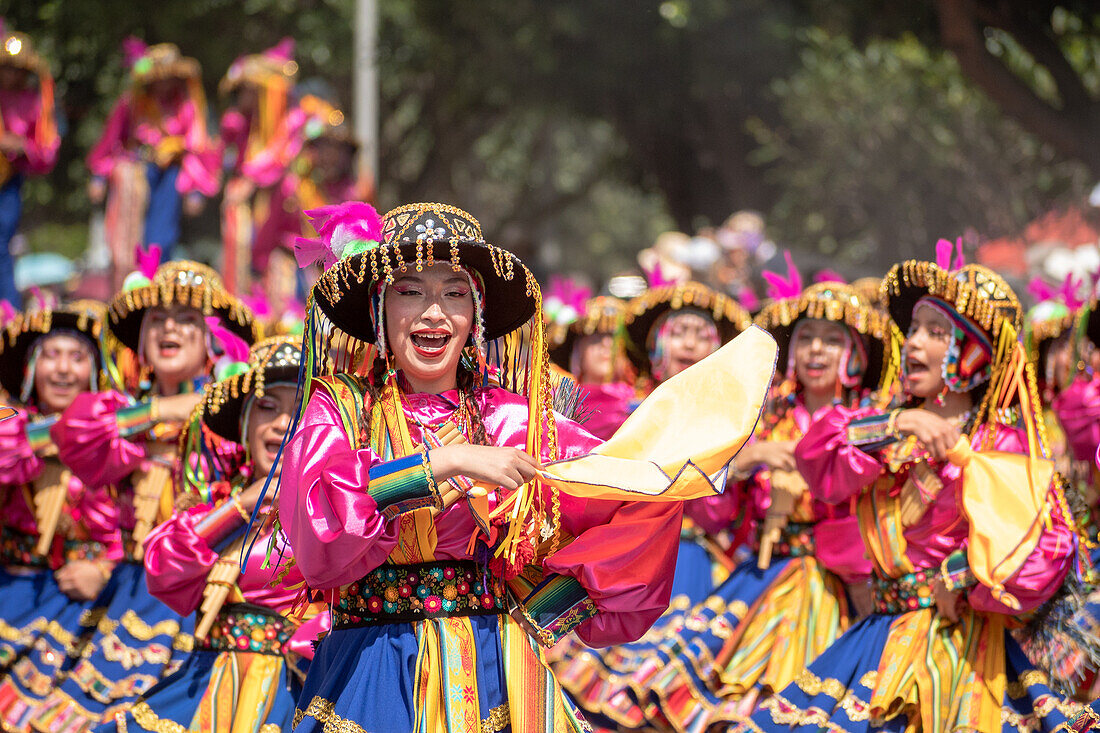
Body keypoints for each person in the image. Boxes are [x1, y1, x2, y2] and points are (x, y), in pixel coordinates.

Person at [280, 201, 773, 732]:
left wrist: (541, 611)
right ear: (378, 307)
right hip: (375, 665)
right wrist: (446, 462)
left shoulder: (517, 419)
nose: (432, 313)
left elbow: (633, 495)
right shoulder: (340, 409)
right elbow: (318, 526)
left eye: (454, 293)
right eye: (410, 291)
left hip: (497, 669)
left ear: (476, 315)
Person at [734, 254, 1089, 732]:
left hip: (961, 649)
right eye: (914, 328)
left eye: (935, 333)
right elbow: (818, 456)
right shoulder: (884, 430)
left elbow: (1044, 545)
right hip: (878, 635)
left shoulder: (999, 444)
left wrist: (961, 574)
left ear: (973, 353)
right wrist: (899, 421)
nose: (913, 341)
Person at [613, 277, 898, 731]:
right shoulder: (762, 420)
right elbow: (716, 513)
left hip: (840, 584)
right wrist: (744, 461)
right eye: (805, 339)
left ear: (855, 356)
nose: (815, 351)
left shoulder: (868, 425)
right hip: (763, 574)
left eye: (831, 340)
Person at [36, 262, 258, 730]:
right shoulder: (118, 413)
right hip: (127, 591)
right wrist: (157, 410)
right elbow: (73, 432)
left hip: (198, 599)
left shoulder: (241, 418)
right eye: (157, 319)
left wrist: (190, 410)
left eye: (186, 319)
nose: (169, 328)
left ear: (213, 340)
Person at [553, 280, 753, 728]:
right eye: (680, 331)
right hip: (629, 555)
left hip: (700, 566)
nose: (692, 343)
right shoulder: (615, 409)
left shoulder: (734, 425)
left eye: (704, 337)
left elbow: (723, 513)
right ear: (655, 346)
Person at [102, 336, 328, 733]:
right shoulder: (218, 503)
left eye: (298, 411)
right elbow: (163, 569)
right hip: (206, 687)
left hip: (300, 692)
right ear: (242, 426)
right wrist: (241, 507)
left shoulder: (335, 509)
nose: (280, 424)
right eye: (266, 407)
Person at [0, 303, 117, 731]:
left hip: (89, 603)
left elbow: (135, 532)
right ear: (31, 368)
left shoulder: (120, 437)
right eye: (52, 355)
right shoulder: (9, 426)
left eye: (77, 356)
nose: (64, 370)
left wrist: (104, 571)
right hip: (14, 595)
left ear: (95, 369)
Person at [87, 40, 219, 288]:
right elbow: (110, 140)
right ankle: (127, 289)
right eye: (158, 78)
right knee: (128, 238)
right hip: (137, 174)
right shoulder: (132, 103)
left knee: (161, 238)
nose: (163, 84)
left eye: (168, 78)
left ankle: (157, 288)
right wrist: (98, 177)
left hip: (170, 176)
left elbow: (199, 148)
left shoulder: (187, 106)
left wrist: (197, 191)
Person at [218, 38, 299, 294]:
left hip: (279, 205)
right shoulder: (240, 123)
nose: (246, 98)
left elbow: (277, 158)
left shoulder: (292, 120)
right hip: (246, 201)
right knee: (238, 250)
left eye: (252, 91)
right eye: (243, 91)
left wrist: (250, 182)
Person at [0, 24, 59, 307]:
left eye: (16, 69)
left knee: (2, 243)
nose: (10, 75)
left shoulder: (33, 102)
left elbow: (44, 150)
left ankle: (7, 308)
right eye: (6, 68)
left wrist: (19, 145)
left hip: (8, 180)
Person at [548, 294, 637, 440]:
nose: (606, 345)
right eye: (596, 339)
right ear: (578, 351)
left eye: (614, 339)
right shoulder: (554, 404)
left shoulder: (642, 404)